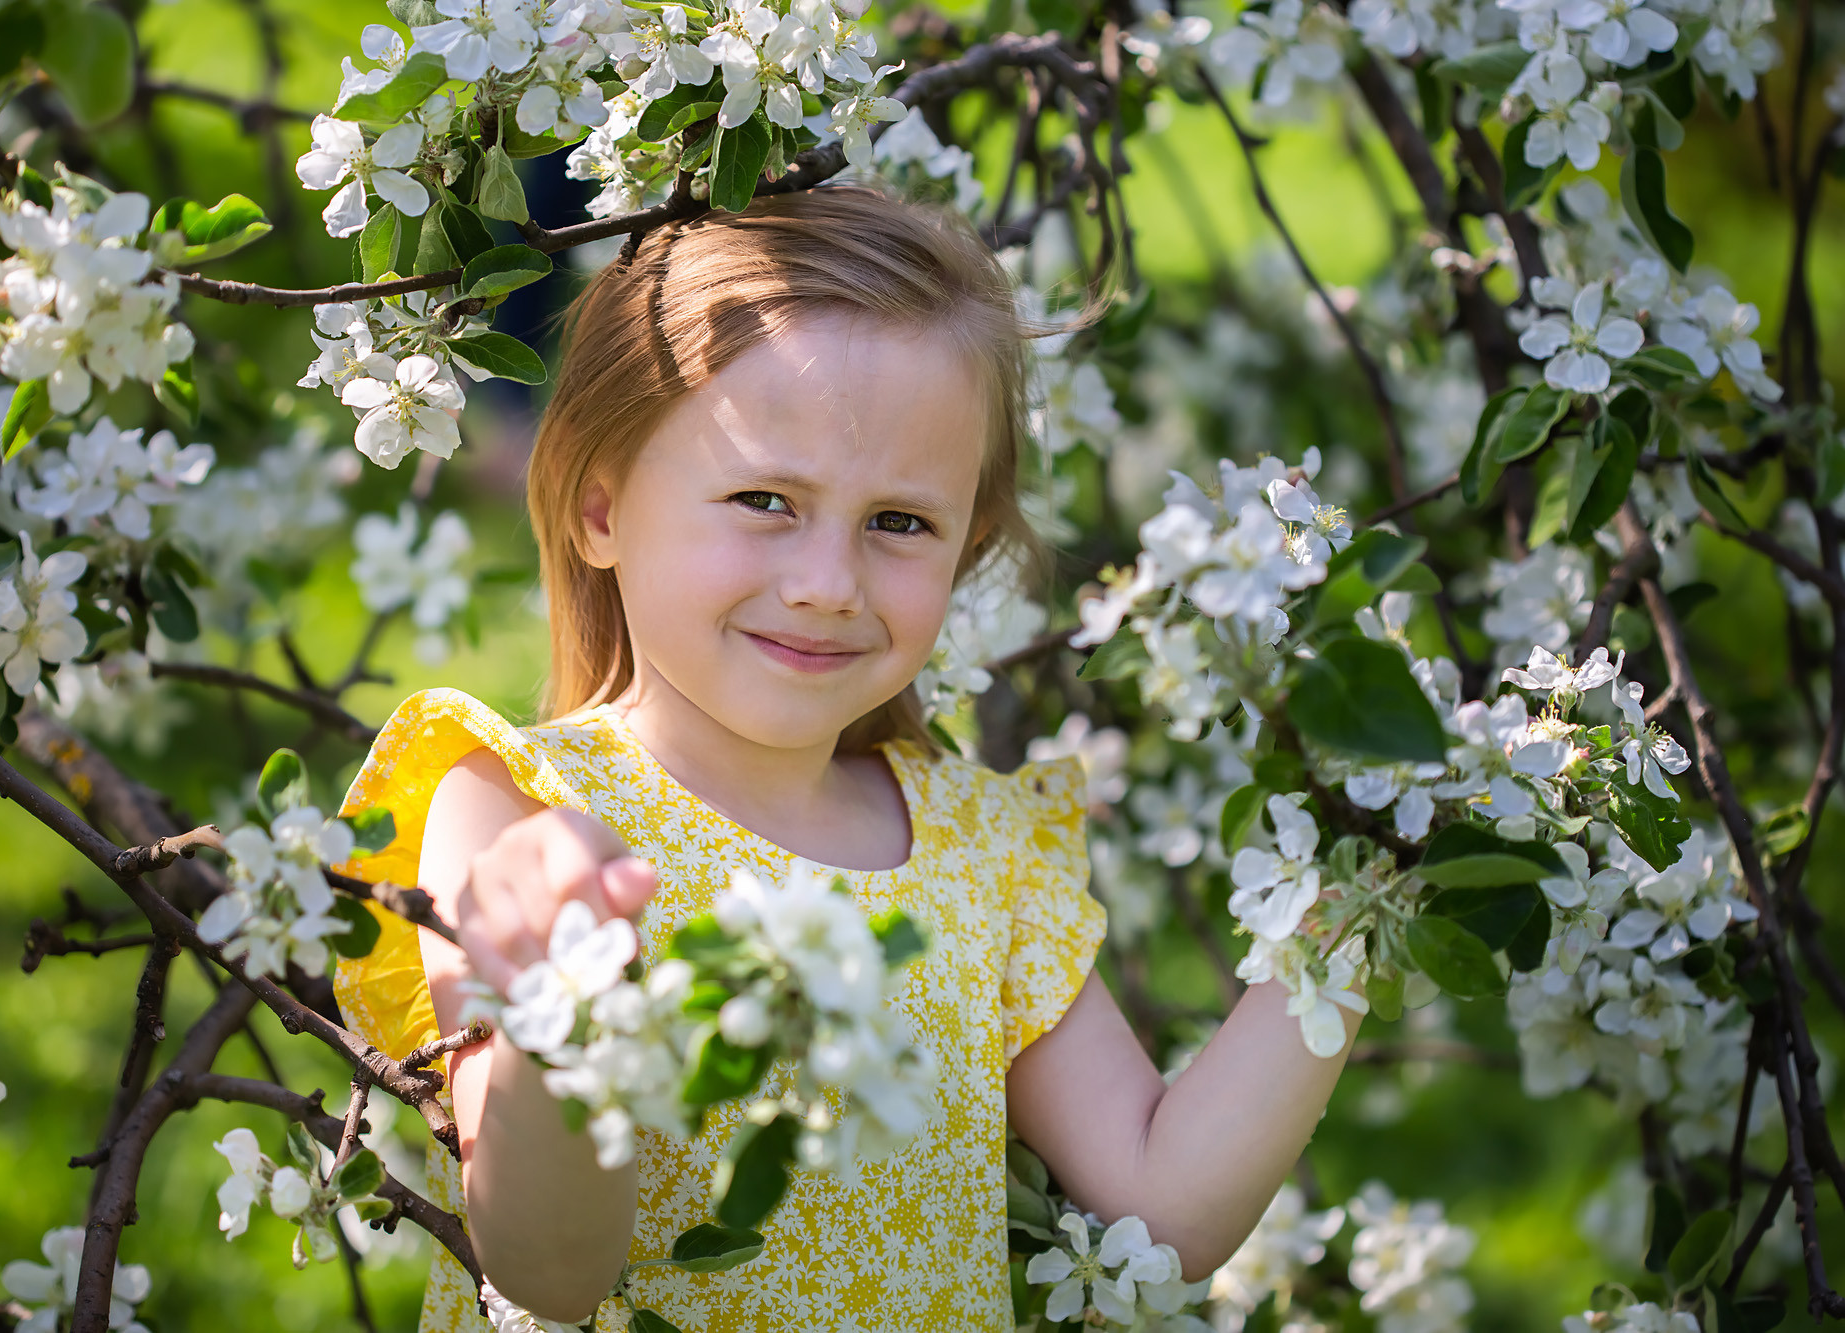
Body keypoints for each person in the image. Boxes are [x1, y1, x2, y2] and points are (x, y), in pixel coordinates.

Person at [332, 186, 1360, 1333]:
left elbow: (1161, 1206)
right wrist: (550, 1020)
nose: (828, 581)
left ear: (968, 548)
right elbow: (549, 1270)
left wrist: (1359, 905)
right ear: (599, 508)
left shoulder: (981, 846)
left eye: (899, 523)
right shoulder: (523, 811)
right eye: (764, 499)